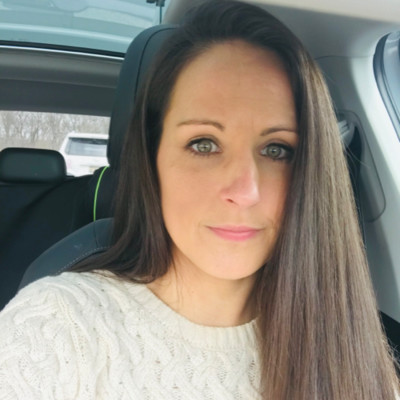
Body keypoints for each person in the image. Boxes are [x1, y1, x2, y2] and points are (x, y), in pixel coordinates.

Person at [0, 1, 398, 399]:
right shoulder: (54, 331)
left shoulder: (346, 342)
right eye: (204, 144)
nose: (244, 191)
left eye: (276, 150)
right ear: (151, 158)